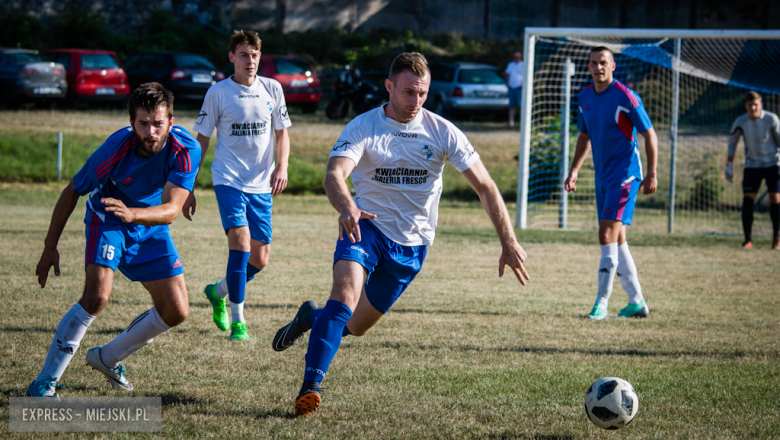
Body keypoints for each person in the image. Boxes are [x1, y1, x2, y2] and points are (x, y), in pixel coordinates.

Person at [271, 52, 530, 417]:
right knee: (344, 298)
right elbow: (334, 174)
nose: (416, 101)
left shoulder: (442, 131)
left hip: (412, 244)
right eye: (409, 92)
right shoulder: (363, 126)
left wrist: (509, 241)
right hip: (364, 226)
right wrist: (347, 206)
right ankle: (310, 388)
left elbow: (485, 186)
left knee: (356, 326)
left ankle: (308, 319)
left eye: (422, 93)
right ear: (389, 86)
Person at [26, 83, 201, 399]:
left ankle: (106, 358)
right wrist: (49, 246)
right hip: (108, 217)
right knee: (97, 297)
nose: (151, 131)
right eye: (143, 123)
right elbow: (71, 191)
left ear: (171, 122)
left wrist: (146, 209)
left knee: (176, 311)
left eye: (158, 123)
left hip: (150, 223)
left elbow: (172, 209)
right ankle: (45, 381)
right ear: (132, 123)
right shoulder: (115, 149)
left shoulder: (186, 147)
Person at [185, 30, 291, 341]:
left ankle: (218, 291)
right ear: (232, 57)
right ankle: (238, 321)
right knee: (241, 244)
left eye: (255, 55)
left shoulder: (273, 89)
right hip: (228, 180)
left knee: (260, 258)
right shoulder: (217, 93)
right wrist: (187, 184)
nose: (250, 60)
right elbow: (201, 140)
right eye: (243, 55)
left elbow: (282, 133)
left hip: (261, 184)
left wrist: (282, 166)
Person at [564, 46, 658, 320]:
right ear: (589, 66)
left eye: (603, 62)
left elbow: (649, 135)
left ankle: (600, 304)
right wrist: (574, 171)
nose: (598, 67)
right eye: (593, 62)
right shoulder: (583, 97)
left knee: (606, 235)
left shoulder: (625, 95)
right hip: (602, 176)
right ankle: (637, 302)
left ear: (613, 66)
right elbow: (585, 136)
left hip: (626, 174)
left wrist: (652, 173)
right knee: (618, 241)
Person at [725, 91, 780, 250]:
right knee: (748, 200)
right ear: (746, 106)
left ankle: (777, 239)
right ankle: (747, 240)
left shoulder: (771, 119)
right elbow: (732, 143)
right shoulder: (741, 121)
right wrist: (729, 165)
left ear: (761, 104)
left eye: (756, 104)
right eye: (750, 105)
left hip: (773, 164)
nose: (753, 107)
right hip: (752, 165)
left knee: (775, 200)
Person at [503, 51, 524, 127]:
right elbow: (507, 74)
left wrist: (524, 85)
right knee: (511, 105)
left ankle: (523, 122)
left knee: (521, 105)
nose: (516, 58)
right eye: (515, 57)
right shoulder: (510, 64)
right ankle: (511, 122)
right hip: (512, 87)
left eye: (517, 57)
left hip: (520, 88)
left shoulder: (524, 65)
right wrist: (507, 84)